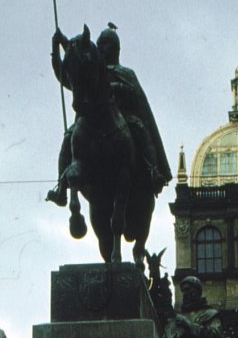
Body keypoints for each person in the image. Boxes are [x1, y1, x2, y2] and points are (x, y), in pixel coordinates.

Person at [48, 22, 171, 205]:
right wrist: (56, 47)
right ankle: (61, 189)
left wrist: (116, 87)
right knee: (69, 136)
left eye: (105, 43)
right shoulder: (92, 71)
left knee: (139, 128)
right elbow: (67, 77)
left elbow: (135, 94)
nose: (101, 47)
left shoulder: (125, 72)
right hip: (92, 121)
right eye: (99, 43)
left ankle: (153, 171)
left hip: (122, 117)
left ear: (116, 49)